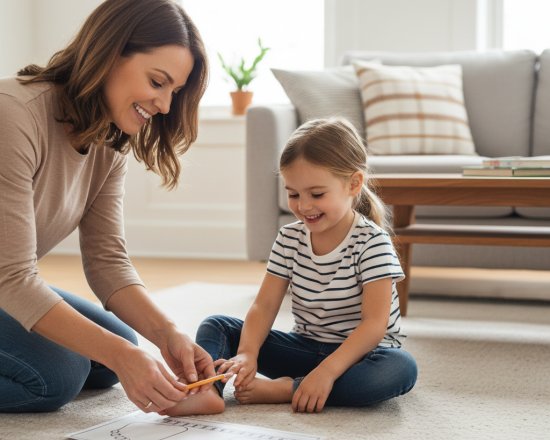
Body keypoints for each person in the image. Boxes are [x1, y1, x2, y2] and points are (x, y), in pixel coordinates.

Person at [0, 0, 219, 414]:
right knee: (59, 374)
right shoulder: (12, 114)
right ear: (109, 53)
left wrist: (168, 334)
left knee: (112, 351)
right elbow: (11, 277)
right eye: (158, 82)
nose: (166, 105)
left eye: (174, 91)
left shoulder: (108, 140)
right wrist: (122, 357)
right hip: (4, 278)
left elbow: (106, 261)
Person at [162, 117, 418, 416]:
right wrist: (247, 353)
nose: (304, 206)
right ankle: (207, 391)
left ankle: (288, 389)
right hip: (306, 349)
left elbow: (374, 325)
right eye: (293, 194)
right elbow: (265, 304)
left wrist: (327, 372)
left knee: (400, 369)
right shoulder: (289, 237)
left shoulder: (372, 242)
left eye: (317, 194)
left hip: (361, 356)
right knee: (218, 325)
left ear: (354, 183)